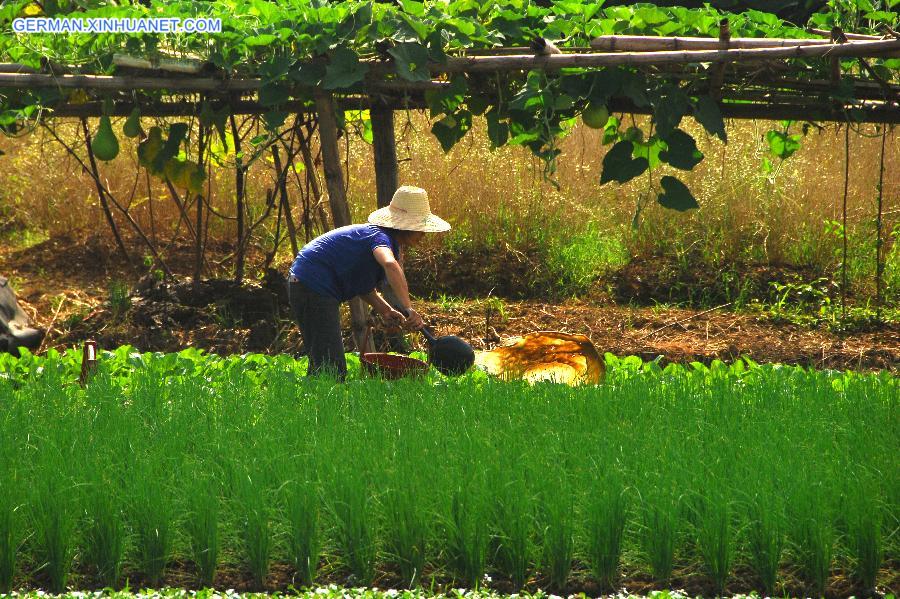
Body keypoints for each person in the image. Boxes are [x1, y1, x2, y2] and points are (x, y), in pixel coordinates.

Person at [287, 186, 450, 379]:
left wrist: (385, 309)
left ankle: (312, 402)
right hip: (312, 285)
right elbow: (389, 264)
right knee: (330, 368)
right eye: (419, 228)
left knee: (324, 361)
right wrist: (409, 308)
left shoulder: (379, 238)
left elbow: (361, 285)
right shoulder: (380, 238)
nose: (424, 234)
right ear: (404, 226)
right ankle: (317, 405)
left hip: (305, 284)